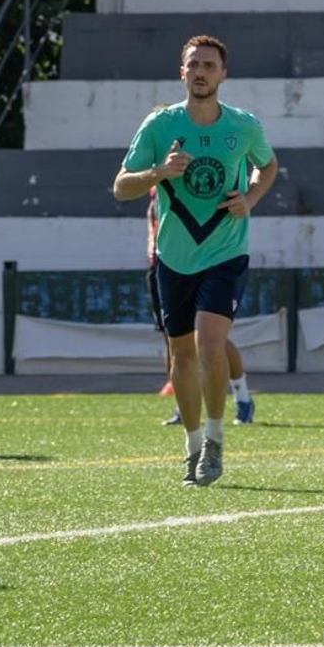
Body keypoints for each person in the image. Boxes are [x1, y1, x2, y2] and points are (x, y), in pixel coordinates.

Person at [113, 35, 277, 486]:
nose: (201, 71)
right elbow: (121, 186)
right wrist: (158, 173)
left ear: (224, 74)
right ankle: (190, 446)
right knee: (181, 355)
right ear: (181, 72)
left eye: (210, 64)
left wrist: (252, 197)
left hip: (226, 252)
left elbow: (269, 165)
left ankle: (216, 442)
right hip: (173, 256)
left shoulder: (243, 127)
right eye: (194, 65)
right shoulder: (158, 126)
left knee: (209, 344)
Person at [147, 198, 254, 427]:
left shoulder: (202, 174)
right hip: (167, 263)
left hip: (208, 262)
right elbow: (152, 212)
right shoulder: (159, 174)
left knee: (211, 339)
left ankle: (242, 397)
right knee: (174, 339)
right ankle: (183, 400)